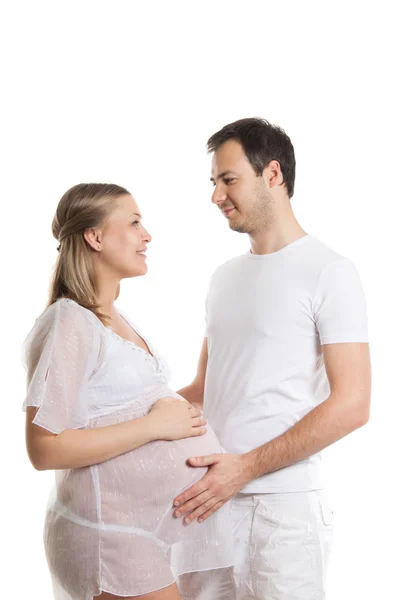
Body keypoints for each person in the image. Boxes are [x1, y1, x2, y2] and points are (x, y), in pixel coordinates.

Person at [173, 118, 371, 599]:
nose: (216, 196)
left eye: (228, 179)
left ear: (273, 175)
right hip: (208, 505)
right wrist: (115, 418)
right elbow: (205, 387)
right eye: (214, 182)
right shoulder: (223, 278)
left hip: (284, 516)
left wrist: (245, 467)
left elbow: (353, 404)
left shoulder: (330, 271)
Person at [21, 183, 235, 600]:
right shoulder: (70, 321)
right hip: (107, 537)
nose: (147, 235)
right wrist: (154, 427)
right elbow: (44, 448)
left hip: (138, 532)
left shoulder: (114, 318)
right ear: (95, 237)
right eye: (134, 222)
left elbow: (138, 409)